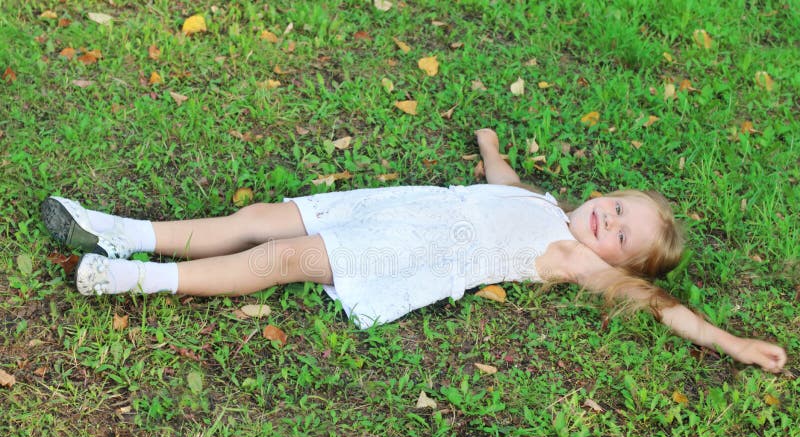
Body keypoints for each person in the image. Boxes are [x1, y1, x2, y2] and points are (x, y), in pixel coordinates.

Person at [41, 129, 787, 373]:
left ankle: (133, 277)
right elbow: (502, 180)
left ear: (617, 265)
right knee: (263, 216)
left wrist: (730, 340)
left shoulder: (574, 259)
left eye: (624, 238)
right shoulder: (546, 207)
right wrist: (490, 144)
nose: (608, 224)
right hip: (395, 206)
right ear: (605, 194)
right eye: (617, 208)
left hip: (416, 252)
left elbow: (664, 309)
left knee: (283, 260)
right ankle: (116, 227)